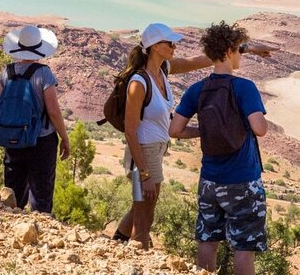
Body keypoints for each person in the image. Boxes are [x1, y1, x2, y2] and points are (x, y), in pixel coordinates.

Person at [114, 22, 275, 249]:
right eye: (169, 43)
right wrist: (145, 173)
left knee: (139, 206)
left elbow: (211, 58)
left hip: (155, 150)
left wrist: (245, 49)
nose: (174, 46)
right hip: (142, 154)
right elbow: (130, 131)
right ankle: (137, 254)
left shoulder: (163, 70)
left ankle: (116, 245)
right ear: (155, 47)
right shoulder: (138, 83)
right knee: (144, 212)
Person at [169, 21, 269, 275]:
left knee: (208, 240)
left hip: (209, 181)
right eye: (238, 49)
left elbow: (175, 131)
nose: (240, 55)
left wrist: (205, 131)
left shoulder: (197, 90)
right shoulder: (244, 87)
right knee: (243, 247)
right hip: (243, 181)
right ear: (228, 51)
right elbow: (260, 128)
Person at [0, 24, 70, 213]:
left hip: (13, 139)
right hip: (41, 140)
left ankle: (10, 228)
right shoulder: (43, 73)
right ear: (39, 48)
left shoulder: (7, 72)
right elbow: (53, 111)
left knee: (13, 193)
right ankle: (42, 233)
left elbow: (1, 105)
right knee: (41, 196)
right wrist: (64, 137)